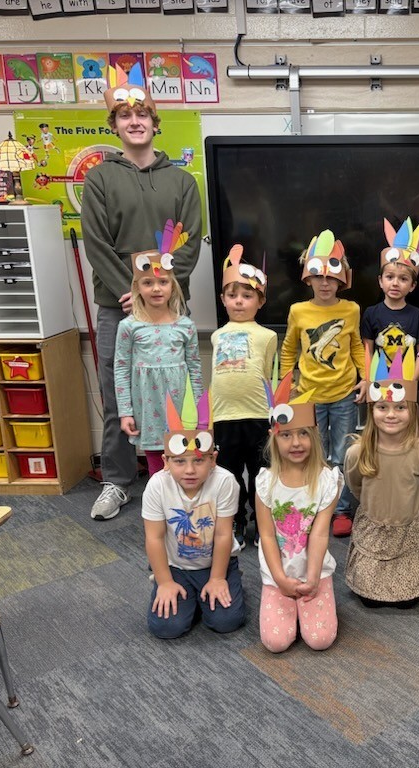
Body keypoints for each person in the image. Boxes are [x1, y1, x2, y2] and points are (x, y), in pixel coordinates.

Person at [82, 77, 202, 521]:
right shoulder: (100, 178)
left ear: (155, 122)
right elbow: (96, 243)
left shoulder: (182, 181)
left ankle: (180, 471)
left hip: (170, 305)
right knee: (119, 394)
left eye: (142, 114)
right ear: (115, 124)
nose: (135, 122)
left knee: (177, 389)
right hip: (119, 305)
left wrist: (158, 291)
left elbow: (188, 244)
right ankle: (117, 481)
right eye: (125, 116)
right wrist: (129, 293)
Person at [280, 229, 366, 539]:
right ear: (308, 279)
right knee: (313, 451)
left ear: (343, 279)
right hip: (308, 395)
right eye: (319, 277)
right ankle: (315, 506)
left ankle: (341, 509)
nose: (325, 282)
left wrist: (366, 378)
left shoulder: (351, 310)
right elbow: (290, 349)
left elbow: (357, 346)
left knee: (341, 454)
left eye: (332, 277)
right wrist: (285, 385)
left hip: (343, 394)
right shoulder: (298, 311)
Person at [143, 381, 246, 639]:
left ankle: (220, 584)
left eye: (199, 460)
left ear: (213, 460)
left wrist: (218, 578)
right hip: (175, 566)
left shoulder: (224, 481)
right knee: (166, 628)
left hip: (217, 562)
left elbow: (224, 534)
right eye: (180, 461)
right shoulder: (157, 485)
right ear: (165, 462)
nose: (190, 470)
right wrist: (165, 582)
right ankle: (186, 596)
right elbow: (154, 538)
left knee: (227, 621)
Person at [344, 348, 419, 608]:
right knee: (369, 600)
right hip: (375, 529)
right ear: (372, 410)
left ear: (412, 411)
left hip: (410, 528)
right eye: (382, 407)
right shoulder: (358, 452)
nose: (391, 414)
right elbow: (355, 486)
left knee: (407, 599)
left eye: (400, 407)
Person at [254, 367, 339, 653]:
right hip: (277, 574)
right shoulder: (265, 482)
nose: (296, 443)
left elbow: (318, 535)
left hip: (315, 572)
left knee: (320, 640)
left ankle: (309, 598)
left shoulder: (327, 481)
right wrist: (279, 578)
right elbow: (266, 535)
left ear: (314, 435)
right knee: (275, 643)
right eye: (286, 435)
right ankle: (284, 597)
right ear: (274, 438)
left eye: (303, 433)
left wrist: (313, 577)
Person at [113, 226, 201, 482]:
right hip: (147, 407)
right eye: (148, 282)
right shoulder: (129, 326)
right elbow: (120, 370)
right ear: (137, 287)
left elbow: (195, 369)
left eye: (163, 282)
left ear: (172, 286)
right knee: (156, 465)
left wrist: (196, 411)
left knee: (184, 459)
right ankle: (158, 512)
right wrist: (125, 412)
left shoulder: (185, 325)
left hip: (181, 406)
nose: (156, 288)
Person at [209, 246, 276, 549]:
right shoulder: (217, 334)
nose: (239, 301)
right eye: (233, 295)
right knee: (229, 475)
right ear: (223, 299)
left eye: (247, 296)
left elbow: (267, 376)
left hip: (258, 415)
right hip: (224, 417)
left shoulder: (268, 336)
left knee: (262, 475)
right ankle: (235, 521)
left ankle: (263, 524)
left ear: (260, 301)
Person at [362, 217, 419, 416]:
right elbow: (368, 349)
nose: (395, 283)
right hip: (379, 385)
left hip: (411, 387)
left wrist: (412, 382)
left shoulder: (417, 315)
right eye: (389, 277)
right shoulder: (371, 313)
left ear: (412, 286)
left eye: (403, 279)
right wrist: (368, 379)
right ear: (380, 281)